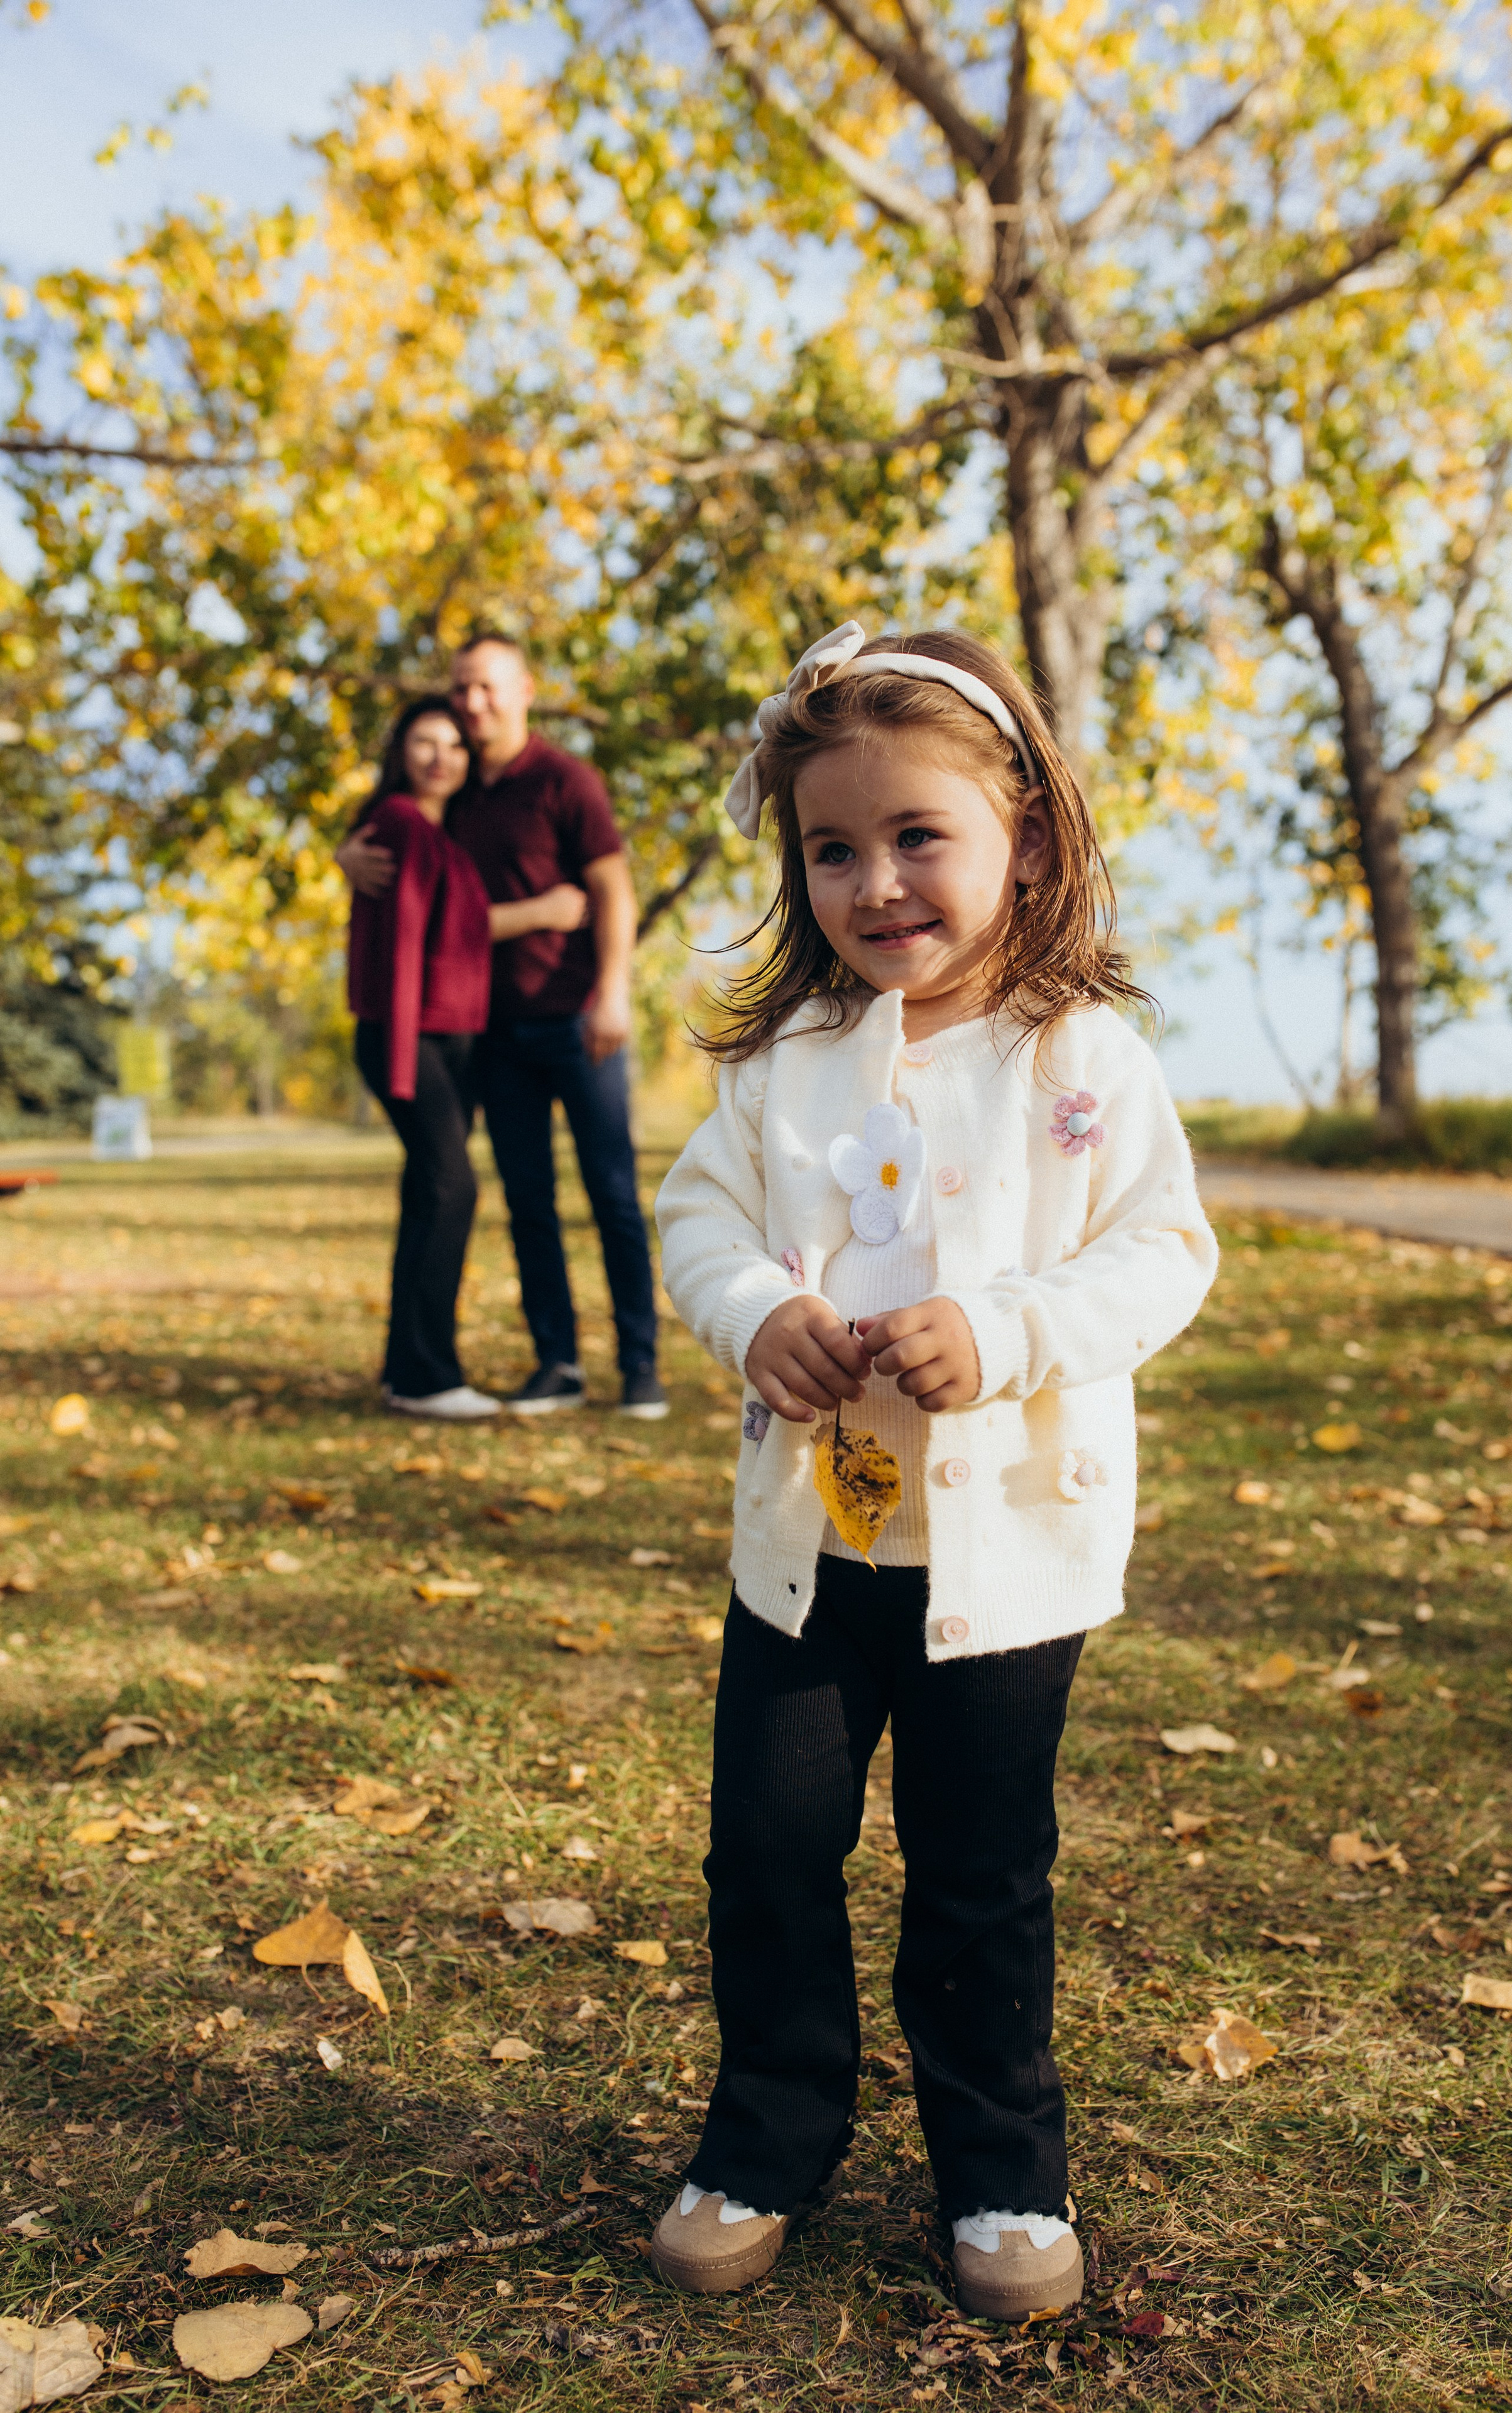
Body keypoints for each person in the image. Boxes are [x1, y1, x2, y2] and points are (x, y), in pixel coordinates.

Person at [652, 625, 1218, 2318]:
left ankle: (1001, 2175)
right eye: (834, 847)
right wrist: (756, 1312)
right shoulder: (780, 1066)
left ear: (1024, 840)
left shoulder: (1084, 1066)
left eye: (920, 837)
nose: (876, 881)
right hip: (809, 1559)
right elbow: (701, 1219)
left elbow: (1163, 1252)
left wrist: (1014, 1328)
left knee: (981, 1873)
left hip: (1011, 1574)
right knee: (767, 1845)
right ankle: (766, 2136)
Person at [339, 633, 666, 1420]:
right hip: (493, 1034)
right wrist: (346, 852)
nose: (471, 705)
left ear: (525, 688)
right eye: (459, 690)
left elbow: (613, 891)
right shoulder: (452, 797)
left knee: (612, 1194)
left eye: (485, 688)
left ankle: (639, 1367)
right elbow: (421, 892)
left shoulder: (565, 780)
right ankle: (558, 1363)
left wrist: (614, 991)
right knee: (527, 1202)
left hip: (578, 1022)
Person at [347, 694, 591, 1420]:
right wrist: (546, 911)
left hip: (449, 1036)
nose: (440, 757)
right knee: (453, 1187)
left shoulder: (436, 827)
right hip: (408, 1031)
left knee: (430, 1192)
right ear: (400, 751)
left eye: (454, 745)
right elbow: (433, 935)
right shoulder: (398, 822)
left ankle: (408, 1371)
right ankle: (427, 1377)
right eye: (424, 742)